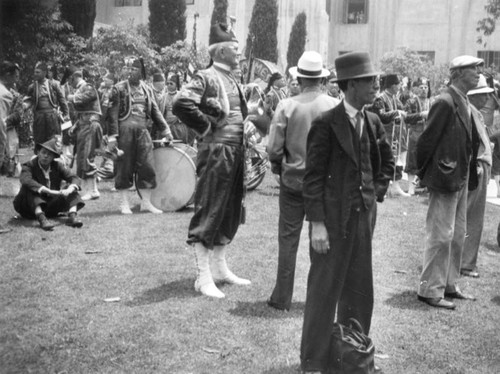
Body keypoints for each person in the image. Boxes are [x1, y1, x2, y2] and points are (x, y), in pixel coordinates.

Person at [300, 51, 394, 373]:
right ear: (352, 84)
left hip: (362, 222)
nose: (375, 87)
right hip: (332, 224)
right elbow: (311, 179)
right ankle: (313, 361)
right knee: (324, 292)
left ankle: (353, 358)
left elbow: (386, 163)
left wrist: (373, 195)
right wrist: (317, 225)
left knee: (359, 291)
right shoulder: (326, 123)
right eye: (370, 81)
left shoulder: (372, 121)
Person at [173, 23, 251, 299]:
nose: (239, 54)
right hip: (217, 151)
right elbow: (181, 103)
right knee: (210, 208)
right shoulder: (206, 76)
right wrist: (205, 128)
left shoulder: (232, 79)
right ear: (220, 51)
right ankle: (202, 276)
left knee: (229, 209)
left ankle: (219, 268)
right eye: (234, 49)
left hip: (235, 152)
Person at [266, 51, 339, 311]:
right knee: (320, 240)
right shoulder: (333, 106)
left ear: (299, 77)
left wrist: (280, 162)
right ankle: (318, 298)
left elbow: (274, 148)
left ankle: (281, 297)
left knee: (288, 240)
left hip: (293, 181)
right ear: (322, 78)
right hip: (324, 183)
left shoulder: (287, 106)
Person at [416, 55, 483, 310]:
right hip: (445, 177)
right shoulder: (444, 101)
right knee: (440, 234)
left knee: (457, 235)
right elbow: (426, 142)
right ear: (456, 74)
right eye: (472, 70)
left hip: (461, 176)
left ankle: (449, 284)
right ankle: (429, 289)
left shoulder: (462, 100)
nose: (477, 73)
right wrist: (425, 176)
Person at [109, 58, 173, 214]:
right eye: (128, 68)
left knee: (147, 166)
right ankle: (124, 203)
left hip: (143, 131)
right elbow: (112, 114)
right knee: (124, 166)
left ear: (141, 71)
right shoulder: (118, 89)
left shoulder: (147, 89)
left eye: (133, 69)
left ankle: (146, 203)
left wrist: (166, 130)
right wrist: (112, 136)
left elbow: (155, 112)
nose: (130, 71)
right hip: (125, 131)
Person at [460, 74, 493, 278]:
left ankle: (467, 261)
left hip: (481, 166)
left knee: (475, 217)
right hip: (476, 168)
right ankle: (463, 261)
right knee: (469, 216)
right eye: (482, 95)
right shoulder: (468, 113)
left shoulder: (477, 114)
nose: (486, 99)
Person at [13, 138, 84, 231]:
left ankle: (72, 217)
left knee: (71, 187)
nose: (45, 156)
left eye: (49, 154)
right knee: (30, 187)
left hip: (50, 207)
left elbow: (74, 177)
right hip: (29, 208)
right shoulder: (29, 165)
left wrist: (70, 188)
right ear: (38, 153)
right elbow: (25, 180)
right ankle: (42, 219)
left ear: (53, 157)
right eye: (43, 152)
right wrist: (47, 190)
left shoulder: (57, 166)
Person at [66, 66, 103, 201]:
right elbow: (82, 113)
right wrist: (75, 126)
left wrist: (73, 97)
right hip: (83, 124)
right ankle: (89, 189)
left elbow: (90, 96)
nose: (70, 84)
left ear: (74, 77)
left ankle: (93, 190)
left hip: (90, 124)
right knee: (82, 158)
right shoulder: (80, 89)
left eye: (70, 80)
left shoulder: (87, 86)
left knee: (87, 157)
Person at [376, 74, 411, 197]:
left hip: (397, 135)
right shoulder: (380, 99)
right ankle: (381, 188)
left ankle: (396, 187)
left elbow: (404, 112)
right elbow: (382, 117)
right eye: (398, 84)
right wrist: (397, 112)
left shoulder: (396, 99)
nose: (399, 87)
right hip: (384, 136)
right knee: (384, 161)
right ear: (392, 85)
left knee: (397, 161)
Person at [25, 62, 70, 147]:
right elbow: (28, 100)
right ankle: (40, 158)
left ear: (44, 73)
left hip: (52, 116)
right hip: (39, 117)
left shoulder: (54, 84)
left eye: (38, 72)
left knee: (54, 140)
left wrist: (66, 113)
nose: (35, 74)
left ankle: (55, 159)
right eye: (35, 72)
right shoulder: (32, 87)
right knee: (39, 140)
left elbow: (62, 99)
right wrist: (24, 107)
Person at [404, 79, 430, 195]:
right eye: (421, 87)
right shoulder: (411, 102)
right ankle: (411, 187)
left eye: (425, 87)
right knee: (412, 160)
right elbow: (406, 117)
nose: (424, 90)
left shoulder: (433, 102)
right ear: (416, 89)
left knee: (428, 160)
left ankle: (426, 185)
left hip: (429, 134)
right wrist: (420, 115)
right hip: (416, 133)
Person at [0, 61, 15, 234]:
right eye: (15, 76)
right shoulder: (4, 94)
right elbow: (1, 124)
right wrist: (3, 147)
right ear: (8, 75)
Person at [164, 72, 195, 146]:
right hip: (167, 128)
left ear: (176, 85)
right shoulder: (163, 97)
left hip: (178, 128)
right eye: (167, 83)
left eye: (171, 84)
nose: (169, 85)